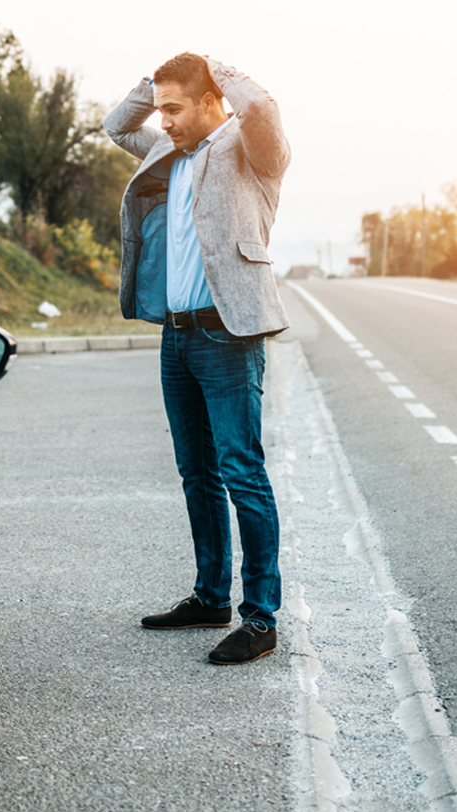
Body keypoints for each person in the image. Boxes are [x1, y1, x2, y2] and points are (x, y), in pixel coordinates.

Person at [105, 53, 290, 665]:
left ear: (213, 101)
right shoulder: (168, 151)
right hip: (177, 335)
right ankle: (211, 596)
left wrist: (215, 65)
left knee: (241, 471)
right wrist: (154, 83)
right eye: (160, 111)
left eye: (176, 109)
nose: (164, 122)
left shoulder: (249, 145)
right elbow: (115, 125)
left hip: (228, 334)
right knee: (197, 473)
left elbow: (259, 105)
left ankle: (260, 618)